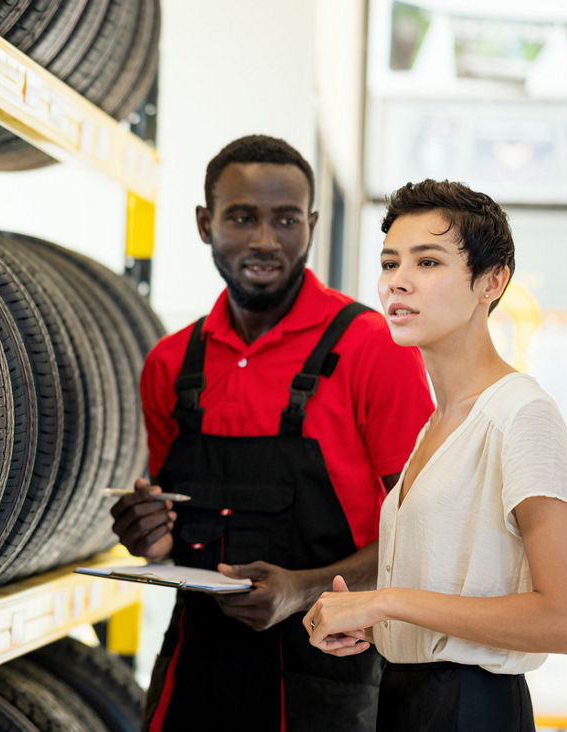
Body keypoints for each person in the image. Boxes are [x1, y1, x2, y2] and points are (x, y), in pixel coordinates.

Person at [110, 134, 435, 731]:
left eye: (285, 220)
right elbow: (176, 535)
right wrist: (150, 540)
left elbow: (425, 537)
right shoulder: (169, 365)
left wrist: (304, 590)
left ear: (310, 225)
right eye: (241, 217)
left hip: (328, 680)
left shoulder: (371, 348)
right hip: (193, 672)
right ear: (205, 224)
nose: (265, 241)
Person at [304, 180, 567, 731]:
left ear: (492, 281)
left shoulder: (520, 414)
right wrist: (374, 626)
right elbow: (461, 594)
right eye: (390, 263)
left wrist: (386, 603)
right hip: (406, 697)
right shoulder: (435, 426)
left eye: (428, 262)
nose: (399, 282)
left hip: (474, 710)